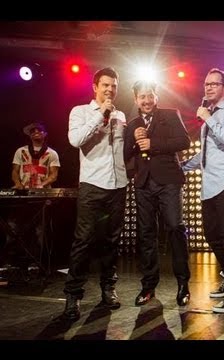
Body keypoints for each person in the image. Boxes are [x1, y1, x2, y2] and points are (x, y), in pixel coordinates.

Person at [62, 67, 128, 321]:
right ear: (95, 86)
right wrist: (100, 114)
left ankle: (108, 289)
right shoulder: (80, 112)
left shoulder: (121, 115)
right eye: (105, 85)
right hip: (92, 184)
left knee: (111, 241)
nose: (110, 90)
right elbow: (75, 140)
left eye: (113, 85)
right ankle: (73, 295)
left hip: (118, 185)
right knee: (84, 240)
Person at [182, 68, 224, 313]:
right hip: (209, 185)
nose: (208, 88)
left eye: (214, 84)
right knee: (212, 234)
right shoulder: (209, 115)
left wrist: (208, 118)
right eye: (206, 84)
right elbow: (206, 153)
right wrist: (183, 167)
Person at [124, 80, 191, 307]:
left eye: (150, 95)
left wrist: (153, 143)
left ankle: (183, 284)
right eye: (142, 97)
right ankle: (148, 286)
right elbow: (125, 154)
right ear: (136, 99)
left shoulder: (171, 115)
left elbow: (184, 141)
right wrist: (134, 140)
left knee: (174, 227)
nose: (146, 100)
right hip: (143, 184)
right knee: (146, 234)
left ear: (156, 96)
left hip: (169, 181)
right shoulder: (132, 124)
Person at [0, 122, 60, 279]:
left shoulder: (51, 153)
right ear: (29, 135)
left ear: (45, 134)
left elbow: (54, 174)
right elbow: (15, 170)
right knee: (13, 229)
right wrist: (18, 184)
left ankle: (38, 264)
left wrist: (43, 185)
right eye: (32, 131)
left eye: (39, 130)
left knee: (40, 232)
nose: (36, 133)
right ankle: (10, 263)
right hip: (23, 196)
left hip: (41, 198)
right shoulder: (21, 151)